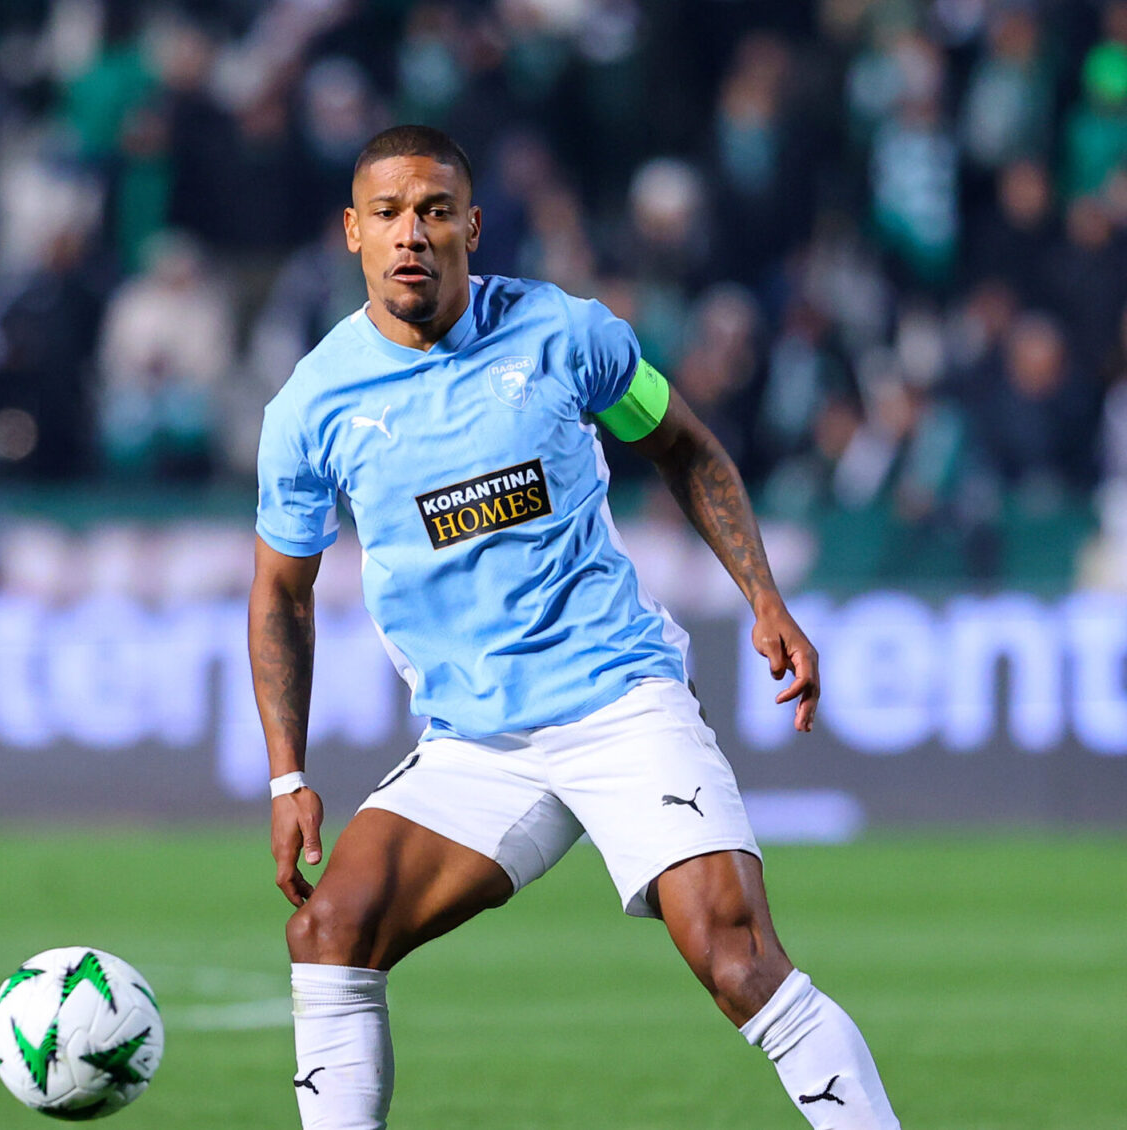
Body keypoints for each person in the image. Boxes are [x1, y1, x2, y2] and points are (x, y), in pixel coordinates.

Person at [251, 126, 901, 1130]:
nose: (411, 233)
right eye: (387, 213)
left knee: (733, 955)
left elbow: (684, 447)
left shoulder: (565, 333)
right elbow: (281, 596)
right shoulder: (310, 406)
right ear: (353, 231)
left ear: (471, 226)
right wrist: (286, 775)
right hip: (476, 742)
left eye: (433, 210)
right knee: (329, 931)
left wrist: (764, 599)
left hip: (618, 701)